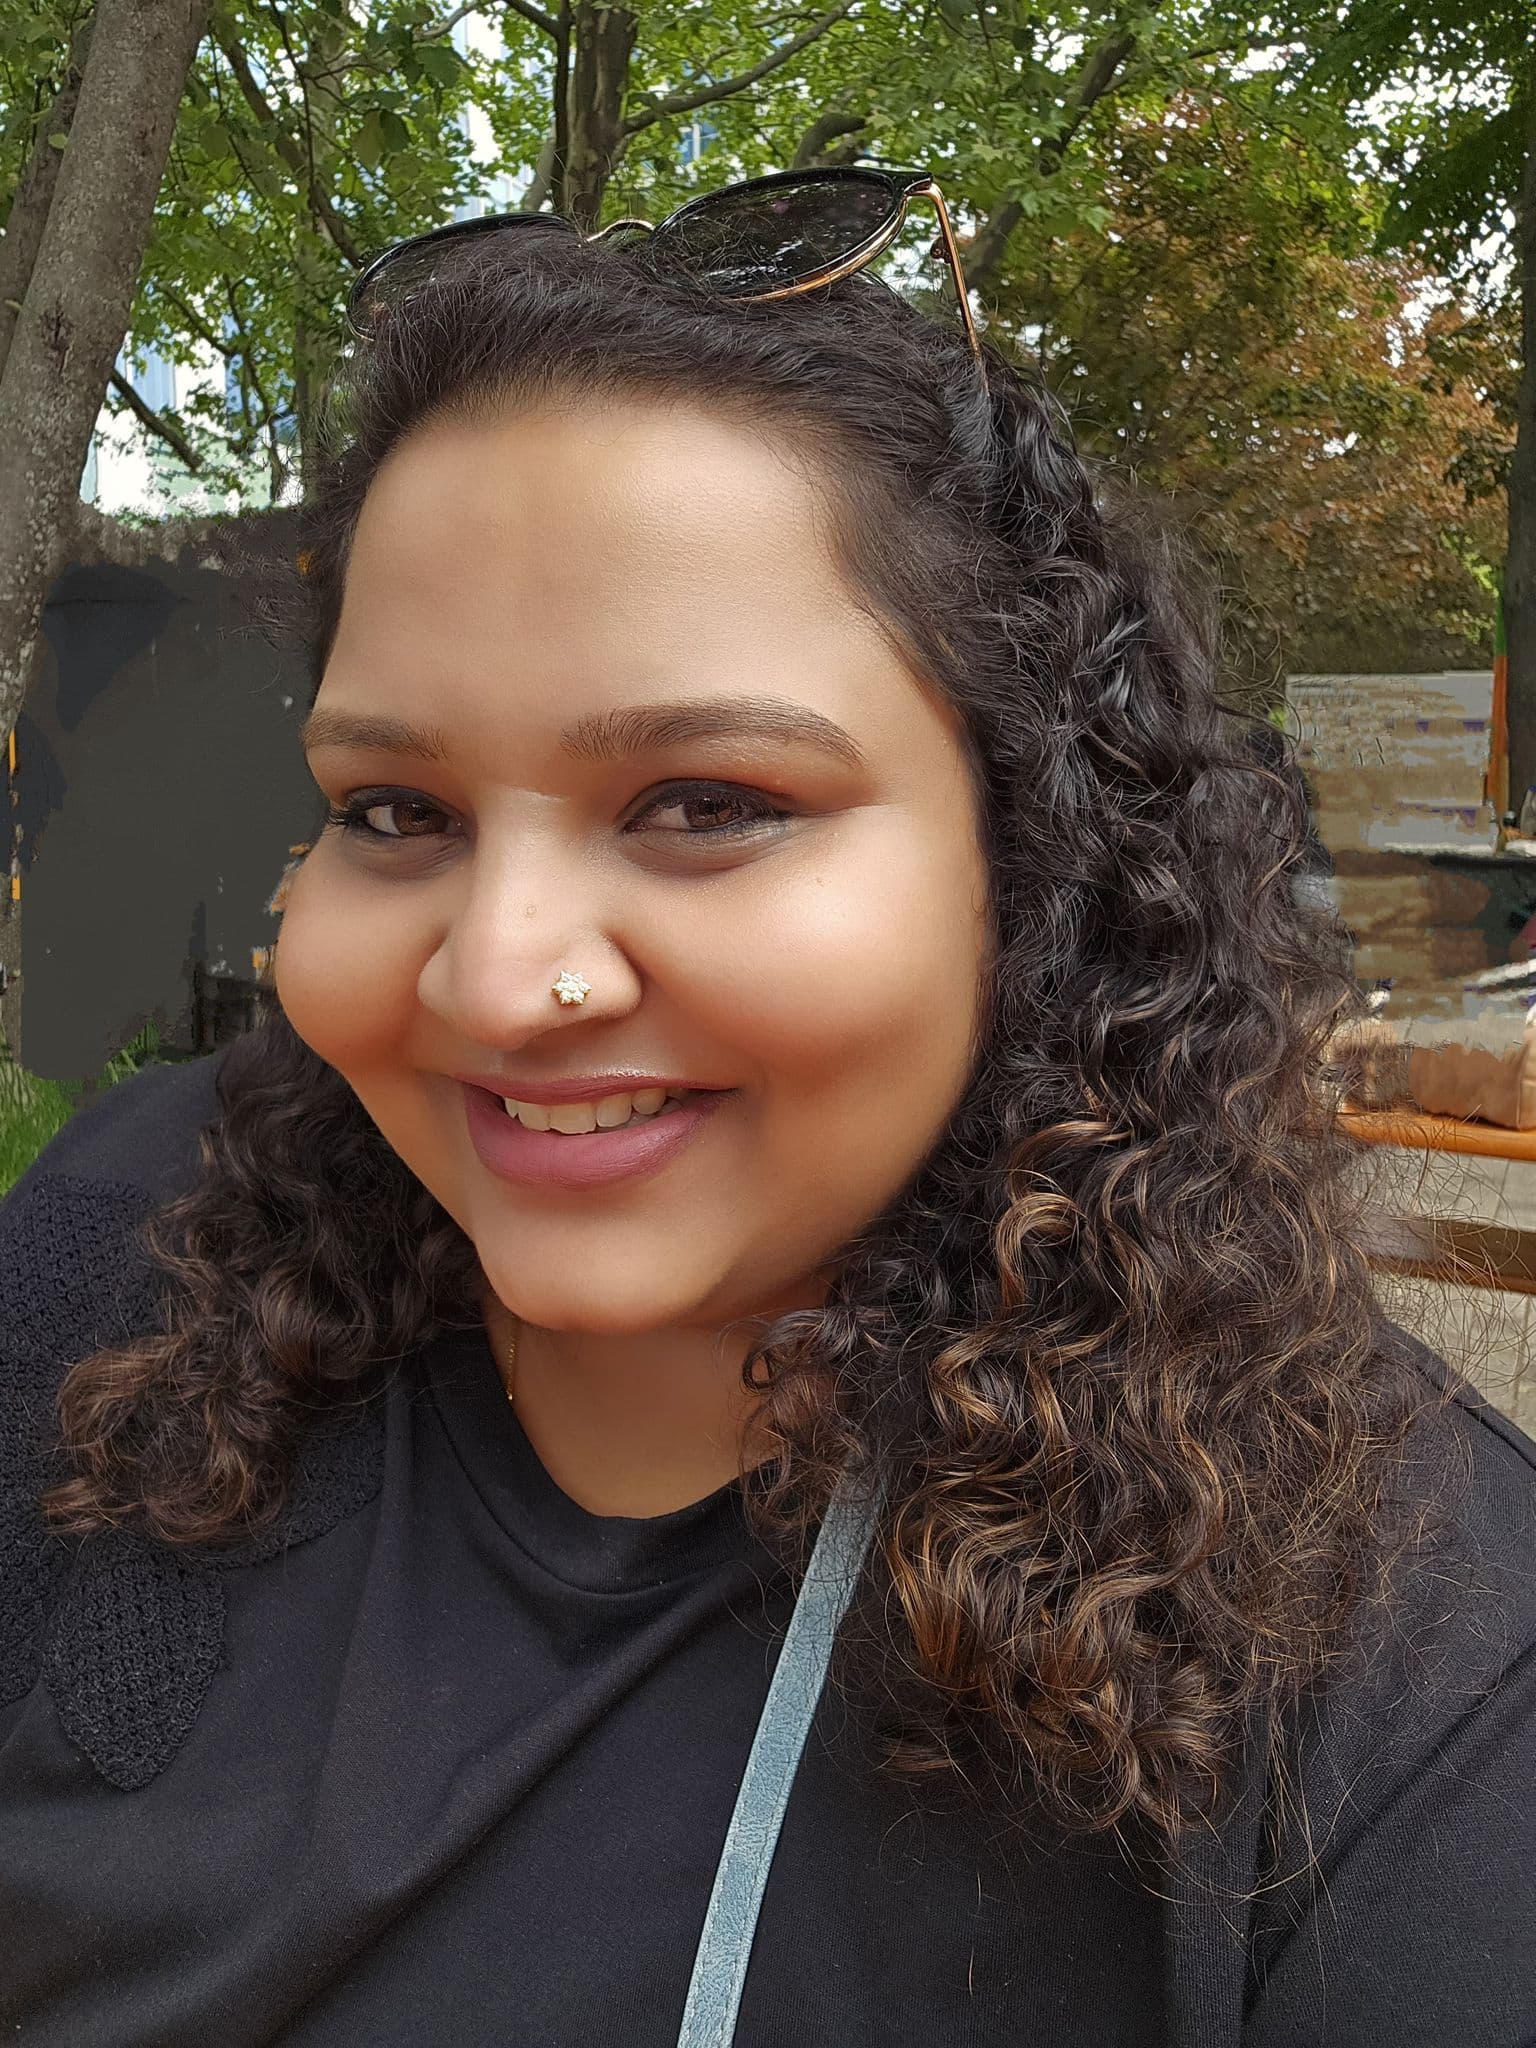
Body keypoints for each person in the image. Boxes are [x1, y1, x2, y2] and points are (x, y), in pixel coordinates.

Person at [2, 169, 1533, 2048]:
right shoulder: (122, 1248)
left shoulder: (1407, 1658)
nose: (499, 980)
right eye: (397, 813)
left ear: (1034, 858)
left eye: (709, 803)